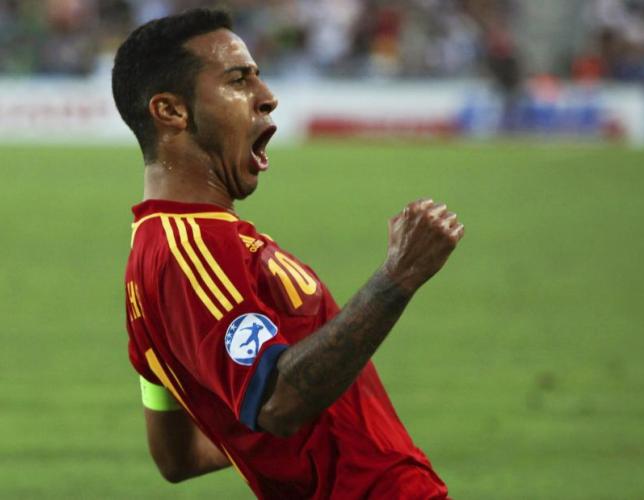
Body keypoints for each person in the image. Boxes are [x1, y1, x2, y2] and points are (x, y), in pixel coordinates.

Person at [113, 8, 464, 499]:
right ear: (171, 111)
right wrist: (398, 276)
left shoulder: (163, 253)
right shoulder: (190, 247)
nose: (267, 96)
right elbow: (278, 401)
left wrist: (252, 426)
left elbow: (178, 456)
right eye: (238, 80)